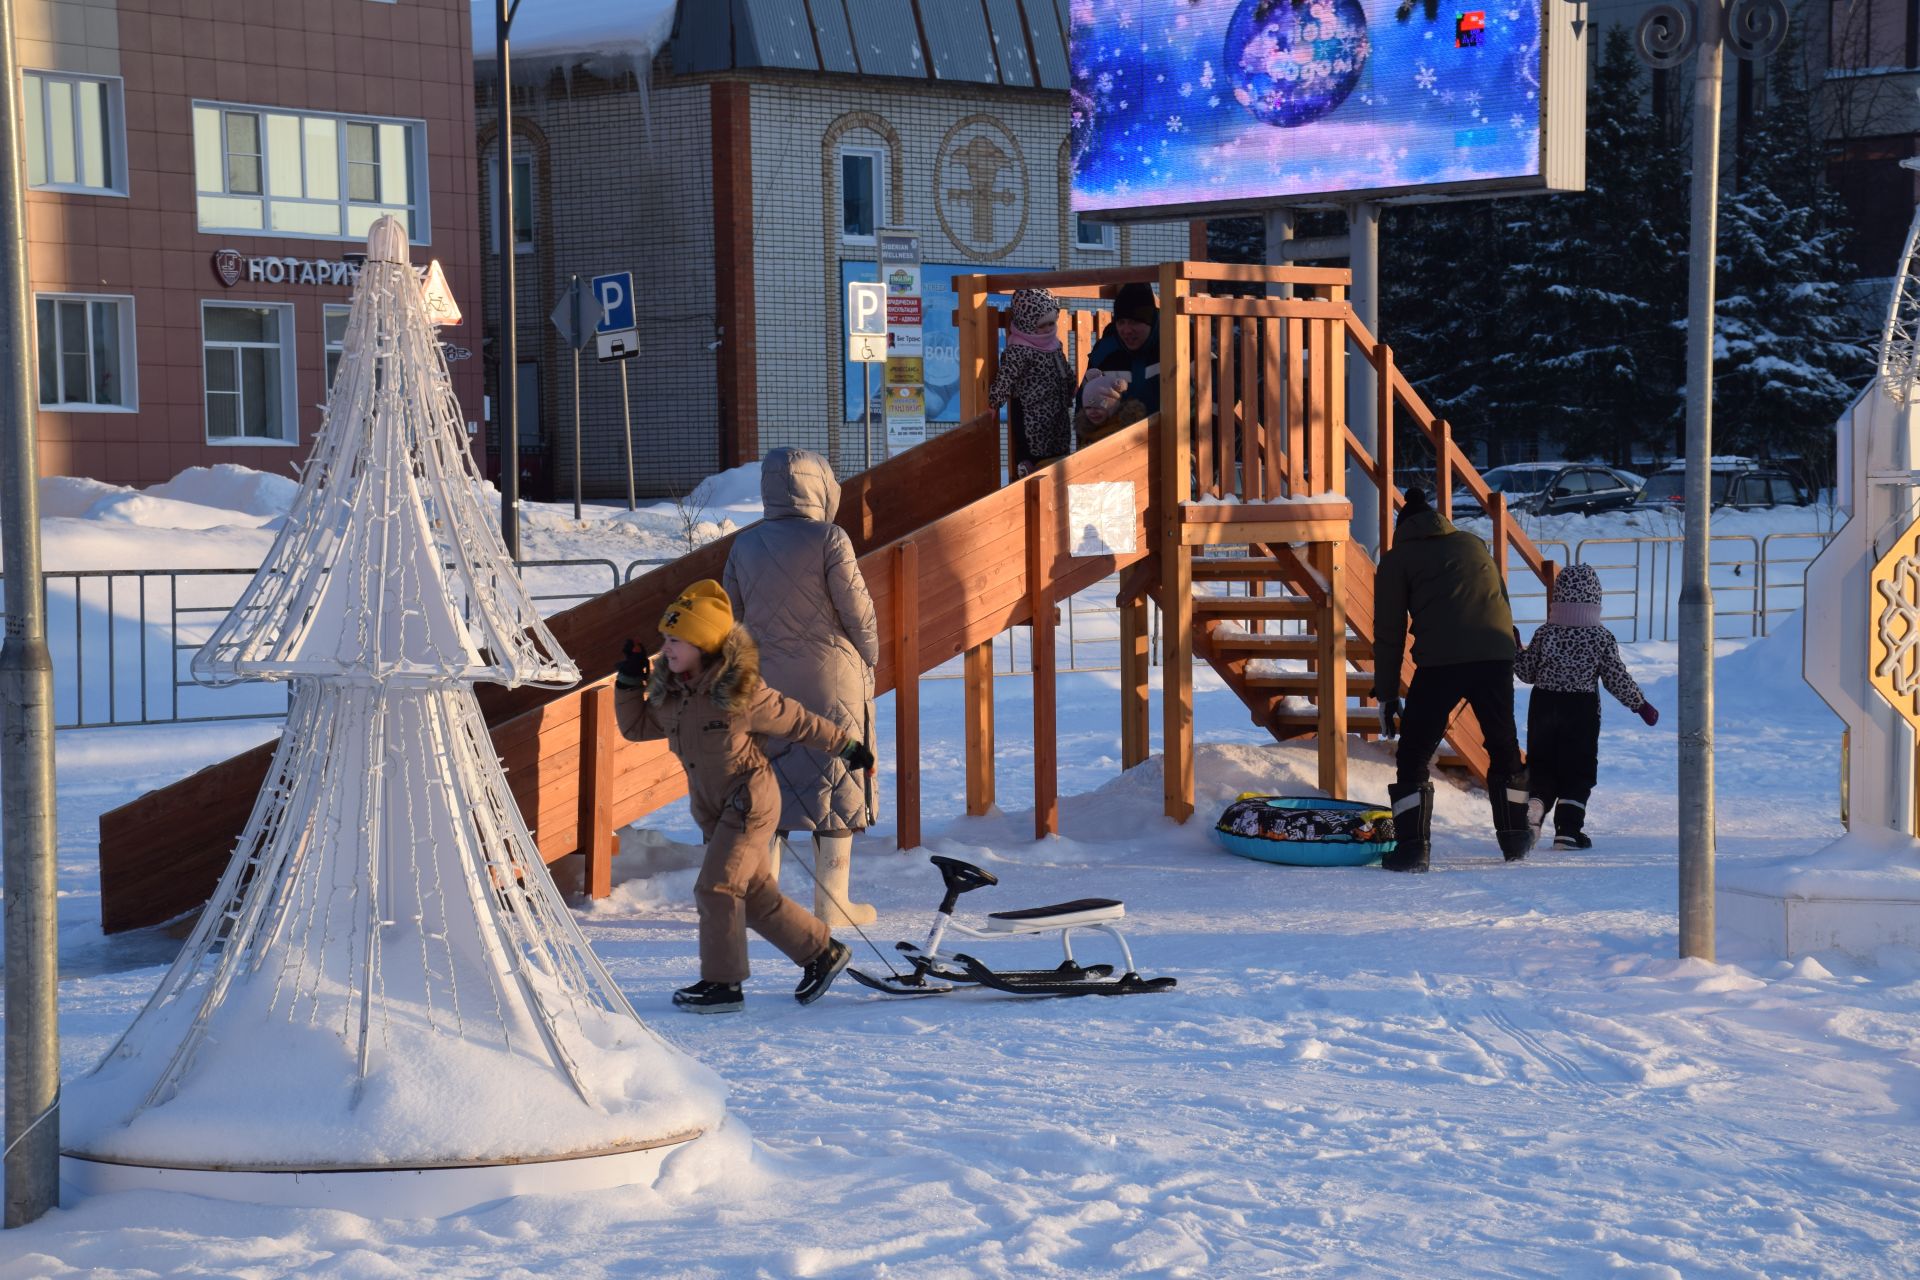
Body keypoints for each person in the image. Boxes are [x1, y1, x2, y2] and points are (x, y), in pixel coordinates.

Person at [614, 579, 875, 1014]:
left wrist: (847, 747)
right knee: (754, 896)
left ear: (703, 642)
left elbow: (800, 722)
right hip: (712, 811)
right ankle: (822, 954)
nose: (667, 647)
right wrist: (629, 681)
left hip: (750, 802)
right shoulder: (674, 697)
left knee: (716, 888)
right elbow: (637, 727)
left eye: (677, 639)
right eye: (665, 638)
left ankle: (723, 985)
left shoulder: (740, 693)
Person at [723, 447, 880, 927]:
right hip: (832, 681)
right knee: (836, 781)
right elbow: (858, 612)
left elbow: (731, 617)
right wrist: (870, 657)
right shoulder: (830, 537)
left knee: (766, 787)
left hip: (765, 684)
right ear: (821, 487)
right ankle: (834, 904)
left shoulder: (744, 545)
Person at [1372, 487, 1530, 871]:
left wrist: (1388, 694)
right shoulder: (1473, 544)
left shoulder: (1397, 559)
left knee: (1414, 752)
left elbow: (1389, 632)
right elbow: (1499, 598)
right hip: (1496, 652)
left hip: (1441, 663)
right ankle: (1516, 838)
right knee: (1502, 742)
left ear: (1402, 529)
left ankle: (1412, 849)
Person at [1513, 563, 1660, 850]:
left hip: (1543, 704)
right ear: (1596, 600)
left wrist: (1516, 650)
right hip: (1580, 709)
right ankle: (1568, 831)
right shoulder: (1600, 636)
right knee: (1578, 769)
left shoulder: (1546, 632)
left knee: (1541, 764)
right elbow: (1615, 677)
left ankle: (1535, 805)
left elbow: (1527, 673)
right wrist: (1640, 704)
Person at [991, 287, 1076, 478]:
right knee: (1033, 445)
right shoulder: (1020, 349)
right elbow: (1006, 376)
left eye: (1051, 323)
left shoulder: (1054, 344)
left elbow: (1063, 368)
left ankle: (1055, 474)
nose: (1048, 329)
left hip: (1057, 408)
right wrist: (994, 401)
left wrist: (1072, 385)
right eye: (1042, 325)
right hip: (1032, 409)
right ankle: (1027, 467)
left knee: (1058, 444)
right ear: (1027, 323)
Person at [1074, 280, 1161, 449]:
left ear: (1150, 322)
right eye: (1121, 322)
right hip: (1114, 451)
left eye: (1135, 322)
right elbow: (1083, 404)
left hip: (1166, 449)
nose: (1127, 330)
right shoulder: (1105, 353)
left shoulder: (1176, 345)